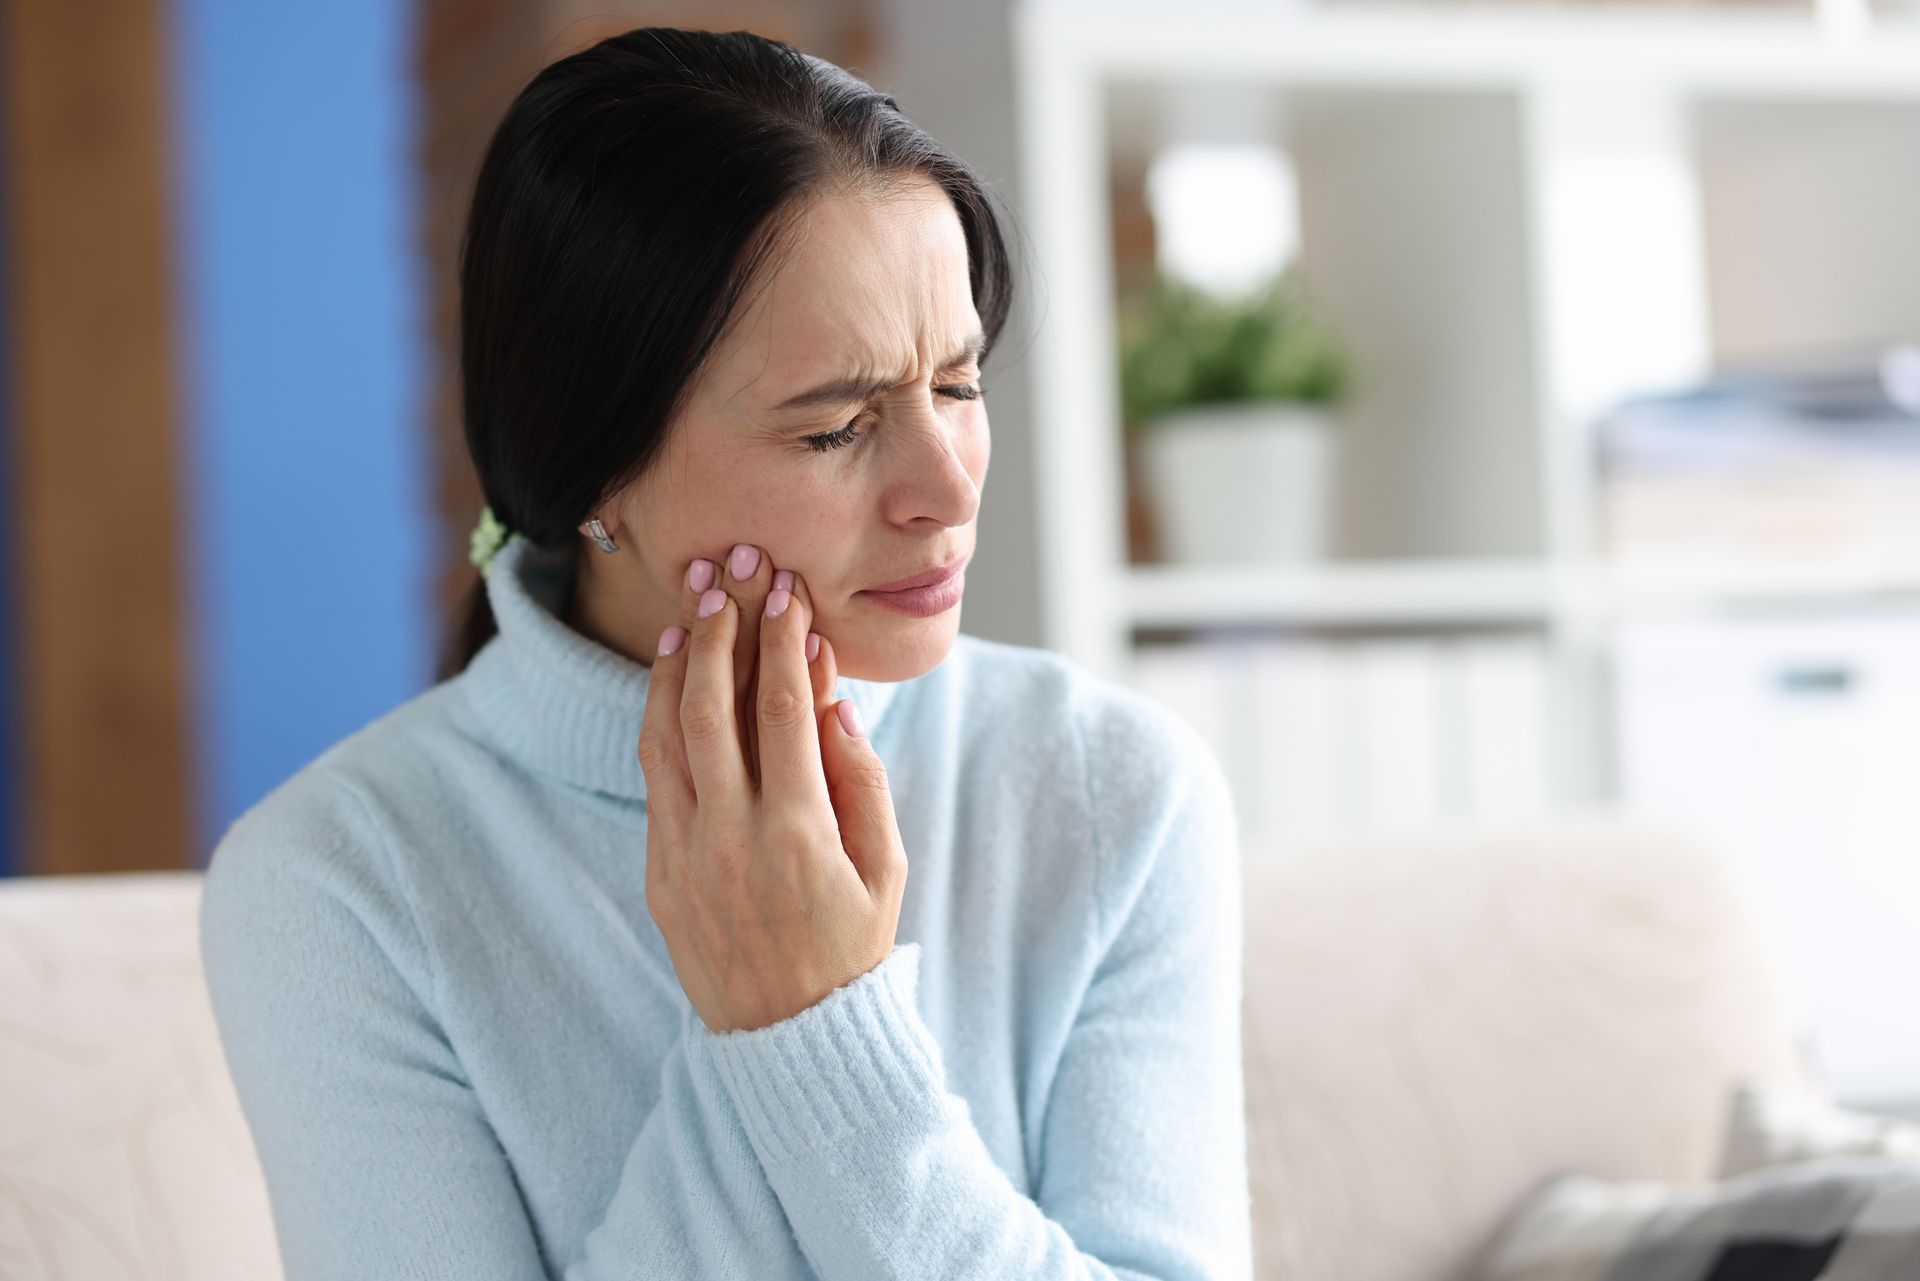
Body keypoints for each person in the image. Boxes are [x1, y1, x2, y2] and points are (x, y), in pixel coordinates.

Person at [199, 25, 1251, 1281]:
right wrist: (780, 1018)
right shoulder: (338, 886)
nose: (945, 488)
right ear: (596, 474)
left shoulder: (1113, 788)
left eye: (959, 387)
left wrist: (810, 1028)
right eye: (837, 429)